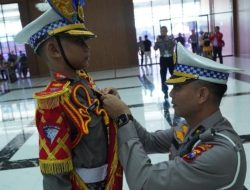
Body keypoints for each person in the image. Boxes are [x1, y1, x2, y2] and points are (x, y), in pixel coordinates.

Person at [101, 43, 247, 190]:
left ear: (202, 95)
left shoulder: (220, 151)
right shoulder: (190, 127)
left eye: (178, 87)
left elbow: (144, 182)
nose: (171, 93)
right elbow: (149, 141)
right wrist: (122, 110)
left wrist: (123, 119)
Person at [14, 1, 122, 190]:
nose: (87, 47)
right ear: (54, 50)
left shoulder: (83, 83)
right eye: (79, 41)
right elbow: (55, 173)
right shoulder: (54, 102)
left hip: (108, 179)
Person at [154, 26, 175, 99]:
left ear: (166, 31)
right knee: (163, 75)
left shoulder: (170, 38)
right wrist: (157, 42)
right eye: (161, 31)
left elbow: (173, 45)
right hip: (163, 58)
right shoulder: (158, 39)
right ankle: (165, 91)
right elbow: (155, 48)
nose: (162, 32)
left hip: (170, 58)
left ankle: (175, 89)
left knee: (173, 73)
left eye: (163, 31)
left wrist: (167, 40)